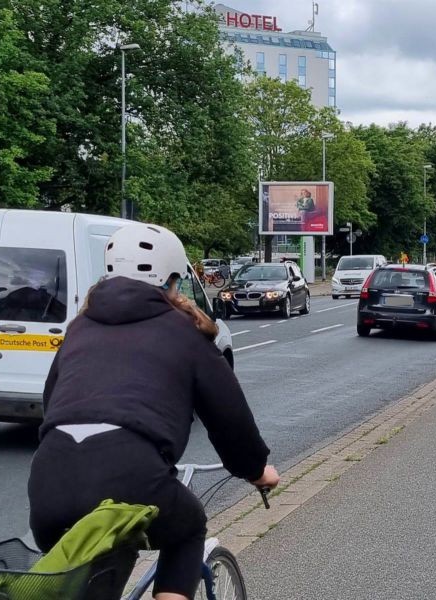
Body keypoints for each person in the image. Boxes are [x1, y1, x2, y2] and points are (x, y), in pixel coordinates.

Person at [28, 223, 280, 600]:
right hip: (131, 475)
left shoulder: (79, 327)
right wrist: (257, 470)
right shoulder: (184, 332)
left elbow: (53, 403)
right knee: (188, 529)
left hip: (50, 481)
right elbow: (230, 420)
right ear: (170, 280)